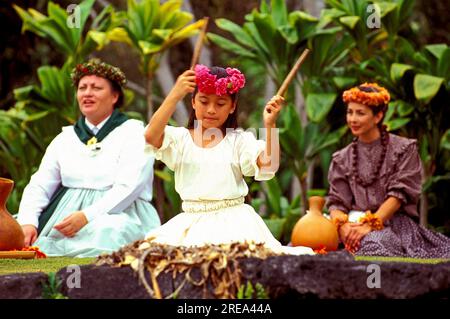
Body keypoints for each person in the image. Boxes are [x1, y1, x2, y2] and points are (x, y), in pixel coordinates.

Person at [143, 64, 313, 255]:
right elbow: (150, 136)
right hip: (189, 223)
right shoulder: (180, 139)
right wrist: (175, 94)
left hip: (234, 223)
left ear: (232, 107)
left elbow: (268, 165)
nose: (211, 110)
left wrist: (270, 124)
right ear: (193, 102)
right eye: (204, 101)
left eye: (221, 103)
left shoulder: (239, 141)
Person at [16, 59, 160, 257]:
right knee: (10, 230)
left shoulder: (133, 132)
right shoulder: (65, 138)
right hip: (64, 214)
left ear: (115, 96)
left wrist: (87, 216)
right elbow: (40, 184)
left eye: (97, 88)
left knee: (109, 231)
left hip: (120, 213)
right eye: (82, 87)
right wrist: (28, 221)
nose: (87, 93)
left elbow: (129, 187)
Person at [327, 82, 450, 258]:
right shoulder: (342, 158)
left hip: (394, 225)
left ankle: (373, 282)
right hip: (351, 225)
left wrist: (370, 225)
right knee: (307, 243)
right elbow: (337, 203)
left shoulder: (404, 149)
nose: (352, 119)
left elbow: (398, 196)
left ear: (378, 116)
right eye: (350, 112)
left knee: (371, 243)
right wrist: (343, 226)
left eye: (360, 113)